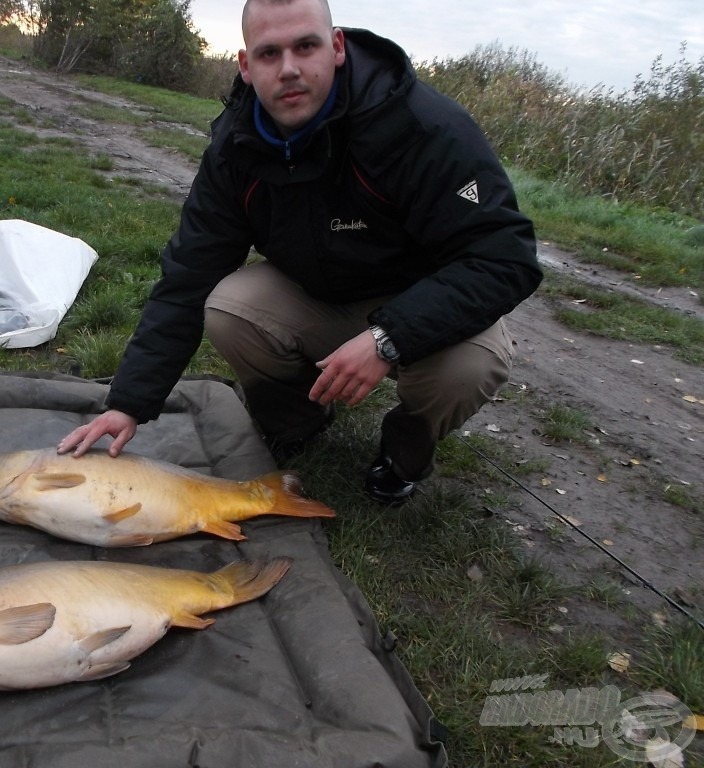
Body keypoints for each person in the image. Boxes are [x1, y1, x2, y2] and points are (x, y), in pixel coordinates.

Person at [58, 0, 542, 504]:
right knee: (226, 307)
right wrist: (130, 403)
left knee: (467, 370)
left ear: (335, 48)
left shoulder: (421, 127)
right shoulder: (236, 147)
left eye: (305, 47)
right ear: (246, 66)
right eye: (269, 54)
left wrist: (387, 338)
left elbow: (504, 257)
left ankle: (404, 451)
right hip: (321, 293)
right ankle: (297, 421)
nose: (289, 69)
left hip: (421, 298)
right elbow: (189, 275)